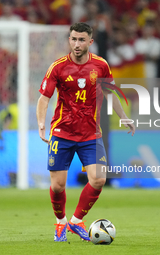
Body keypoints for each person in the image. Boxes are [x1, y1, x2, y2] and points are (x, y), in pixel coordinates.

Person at [36, 22, 135, 242]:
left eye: (82, 40)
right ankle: (60, 222)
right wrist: (42, 123)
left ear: (90, 41)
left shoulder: (100, 65)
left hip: (90, 134)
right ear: (69, 40)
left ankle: (76, 220)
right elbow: (44, 98)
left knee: (99, 179)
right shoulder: (58, 67)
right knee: (58, 185)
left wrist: (124, 117)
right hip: (62, 133)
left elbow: (110, 93)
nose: (77, 44)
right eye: (73, 39)